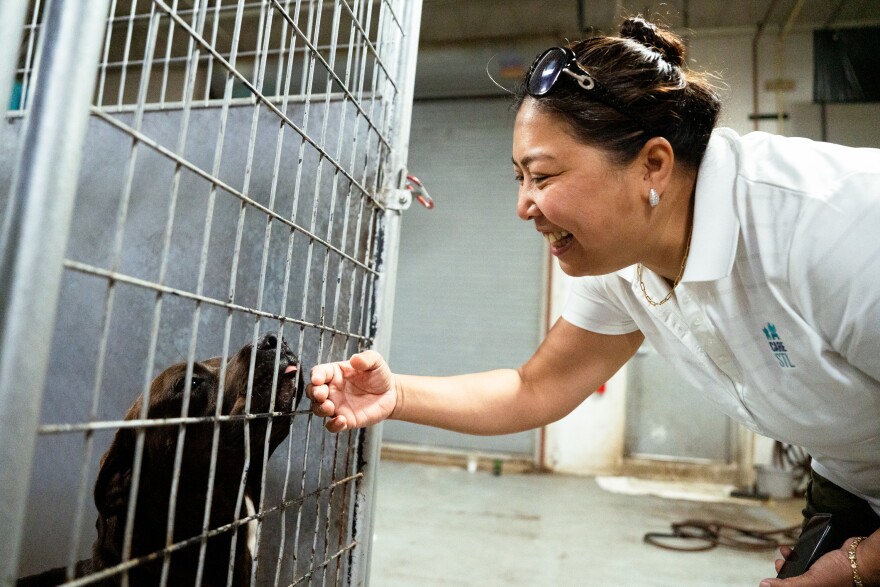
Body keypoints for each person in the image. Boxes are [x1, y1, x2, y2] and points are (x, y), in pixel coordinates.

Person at [307, 16, 880, 587]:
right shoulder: (627, 262)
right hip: (853, 474)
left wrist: (854, 569)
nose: (524, 206)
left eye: (544, 176)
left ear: (653, 164)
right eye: (519, 179)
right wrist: (396, 394)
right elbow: (536, 387)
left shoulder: (833, 226)